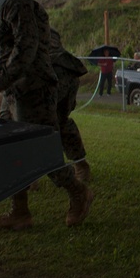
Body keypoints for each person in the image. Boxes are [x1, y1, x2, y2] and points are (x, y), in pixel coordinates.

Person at [0, 0, 93, 230]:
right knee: (13, 151)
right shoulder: (1, 10)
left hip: (34, 91)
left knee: (41, 153)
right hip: (14, 92)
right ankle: (20, 212)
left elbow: (26, 49)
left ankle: (78, 192)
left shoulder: (18, 5)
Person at [49, 27, 91, 183]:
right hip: (69, 70)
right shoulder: (43, 25)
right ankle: (81, 165)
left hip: (50, 75)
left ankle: (31, 176)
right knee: (61, 121)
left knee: (32, 123)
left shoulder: (11, 22)